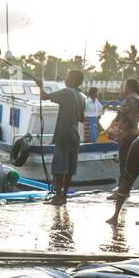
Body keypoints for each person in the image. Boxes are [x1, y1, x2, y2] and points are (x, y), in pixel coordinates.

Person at [38, 68, 85, 206]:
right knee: (70, 166)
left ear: (74, 80)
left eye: (68, 76)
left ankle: (57, 197)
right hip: (75, 133)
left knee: (59, 166)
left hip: (64, 132)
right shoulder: (81, 97)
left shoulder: (67, 92)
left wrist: (40, 86)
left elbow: (44, 97)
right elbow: (82, 118)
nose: (65, 78)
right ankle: (63, 196)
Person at [107, 77, 139, 195]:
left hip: (127, 134)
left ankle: (122, 189)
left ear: (129, 86)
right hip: (132, 133)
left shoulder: (132, 99)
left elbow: (130, 118)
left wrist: (121, 131)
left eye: (125, 86)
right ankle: (123, 188)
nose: (124, 88)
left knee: (124, 162)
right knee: (126, 161)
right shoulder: (138, 99)